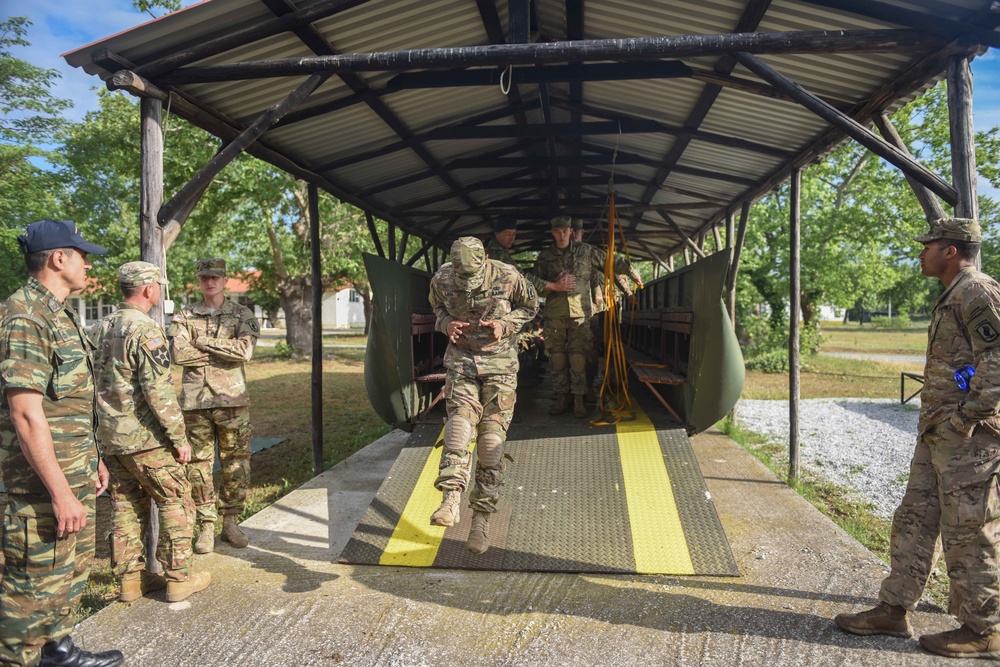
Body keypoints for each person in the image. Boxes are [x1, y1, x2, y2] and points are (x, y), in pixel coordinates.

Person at [834, 217, 1000, 659]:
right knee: (913, 518)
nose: (921, 252)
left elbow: (998, 361)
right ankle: (893, 609)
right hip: (938, 433)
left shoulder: (977, 291)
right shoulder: (952, 295)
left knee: (968, 530)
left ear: (950, 250)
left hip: (968, 437)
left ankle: (983, 629)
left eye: (928, 245)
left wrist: (965, 419)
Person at [0, 220, 123, 667]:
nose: (88, 263)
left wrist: (92, 461)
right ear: (58, 258)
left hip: (72, 474)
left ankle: (60, 654)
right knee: (29, 599)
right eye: (82, 254)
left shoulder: (60, 312)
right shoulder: (26, 316)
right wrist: (59, 491)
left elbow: (65, 404)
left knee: (66, 580)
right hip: (37, 490)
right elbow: (26, 414)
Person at [92, 262, 211, 604]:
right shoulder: (146, 330)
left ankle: (130, 581)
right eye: (159, 285)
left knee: (125, 505)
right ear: (148, 289)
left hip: (111, 440)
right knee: (175, 500)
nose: (160, 291)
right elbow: (158, 393)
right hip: (145, 439)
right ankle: (178, 579)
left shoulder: (100, 327)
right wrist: (180, 439)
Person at [427, 237, 538, 554]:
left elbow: (531, 306)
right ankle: (450, 499)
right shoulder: (443, 277)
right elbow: (436, 306)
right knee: (459, 426)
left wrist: (506, 324)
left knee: (490, 443)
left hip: (500, 366)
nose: (468, 286)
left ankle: (481, 523)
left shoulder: (508, 275)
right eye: (463, 279)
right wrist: (446, 323)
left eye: (473, 278)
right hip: (462, 362)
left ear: (486, 259)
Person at [167, 258, 260, 553]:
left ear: (225, 280)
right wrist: (222, 351)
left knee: (236, 465)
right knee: (198, 467)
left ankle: (230, 523)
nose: (210, 281)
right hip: (195, 403)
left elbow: (244, 351)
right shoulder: (185, 315)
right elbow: (178, 355)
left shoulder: (242, 313)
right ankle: (206, 526)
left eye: (215, 277)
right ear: (199, 280)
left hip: (232, 402)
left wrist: (202, 341)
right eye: (205, 276)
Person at [534, 216, 643, 418]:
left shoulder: (586, 252)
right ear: (552, 233)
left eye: (565, 231)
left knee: (578, 358)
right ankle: (561, 397)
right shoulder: (544, 257)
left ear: (571, 231)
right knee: (557, 359)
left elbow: (610, 262)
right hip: (555, 315)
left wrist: (630, 271)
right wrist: (552, 285)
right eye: (557, 231)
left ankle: (578, 399)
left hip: (580, 316)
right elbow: (533, 285)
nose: (562, 235)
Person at [571, 218, 638, 403]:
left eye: (575, 231)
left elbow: (614, 272)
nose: (572, 235)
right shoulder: (561, 254)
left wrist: (629, 293)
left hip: (595, 311)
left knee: (592, 352)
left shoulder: (589, 253)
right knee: (572, 353)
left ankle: (589, 388)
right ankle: (573, 392)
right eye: (570, 231)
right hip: (571, 311)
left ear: (581, 232)